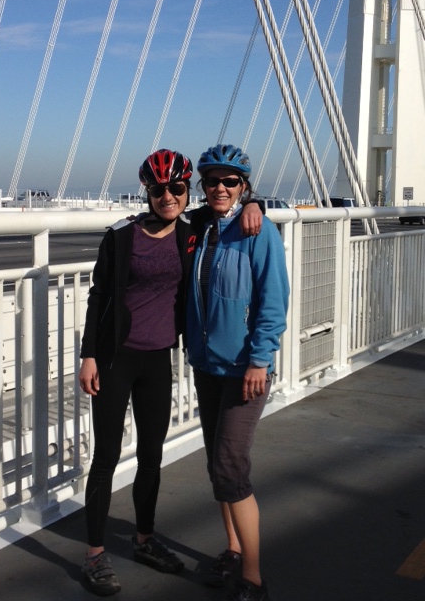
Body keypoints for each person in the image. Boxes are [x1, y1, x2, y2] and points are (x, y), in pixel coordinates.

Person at [78, 148, 264, 596]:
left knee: (151, 456)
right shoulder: (121, 235)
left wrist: (256, 202)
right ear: (147, 191)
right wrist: (89, 356)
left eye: (177, 188)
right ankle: (95, 555)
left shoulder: (191, 230)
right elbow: (99, 295)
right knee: (106, 457)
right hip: (116, 359)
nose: (168, 197)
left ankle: (144, 540)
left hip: (158, 359)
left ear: (186, 191)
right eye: (159, 189)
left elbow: (228, 201)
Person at [186, 144, 290, 601]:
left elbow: (273, 301)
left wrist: (260, 361)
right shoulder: (199, 227)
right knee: (217, 464)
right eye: (212, 181)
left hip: (245, 369)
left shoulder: (258, 231)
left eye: (231, 182)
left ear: (244, 186)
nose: (220, 188)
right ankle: (231, 548)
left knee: (230, 468)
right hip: (206, 365)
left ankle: (253, 577)